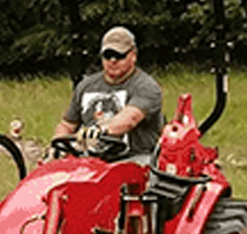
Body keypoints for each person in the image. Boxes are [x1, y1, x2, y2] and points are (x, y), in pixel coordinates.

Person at [52, 26, 163, 164]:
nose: (113, 60)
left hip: (135, 159)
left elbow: (129, 119)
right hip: (90, 160)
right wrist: (59, 144)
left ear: (133, 56)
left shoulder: (146, 86)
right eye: (108, 55)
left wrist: (99, 131)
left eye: (119, 55)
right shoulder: (86, 85)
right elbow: (68, 124)